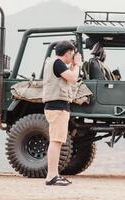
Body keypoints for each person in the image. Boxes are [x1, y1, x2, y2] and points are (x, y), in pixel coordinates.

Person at [42, 41, 81, 186]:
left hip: (56, 106)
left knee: (57, 141)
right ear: (68, 53)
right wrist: (77, 65)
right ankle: (51, 176)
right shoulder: (57, 63)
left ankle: (54, 175)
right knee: (56, 141)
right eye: (72, 54)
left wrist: (72, 66)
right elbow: (73, 78)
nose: (72, 57)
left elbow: (66, 75)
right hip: (57, 107)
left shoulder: (54, 63)